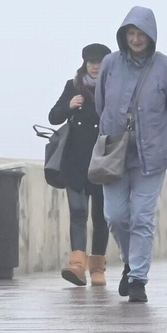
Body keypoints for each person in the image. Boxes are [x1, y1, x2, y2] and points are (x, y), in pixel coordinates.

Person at [92, 8, 167, 304]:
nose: (135, 39)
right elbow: (100, 104)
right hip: (114, 152)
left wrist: (156, 132)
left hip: (152, 155)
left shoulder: (166, 67)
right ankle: (130, 260)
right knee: (116, 215)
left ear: (151, 36)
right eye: (130, 34)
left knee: (142, 217)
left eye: (141, 34)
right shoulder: (110, 64)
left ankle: (138, 279)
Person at [49, 43, 111, 287]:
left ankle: (98, 269)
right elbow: (53, 117)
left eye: (100, 62)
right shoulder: (73, 86)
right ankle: (77, 266)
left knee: (100, 218)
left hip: (103, 162)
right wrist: (69, 106)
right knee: (78, 213)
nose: (95, 67)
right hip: (75, 162)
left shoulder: (113, 88)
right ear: (84, 64)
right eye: (91, 62)